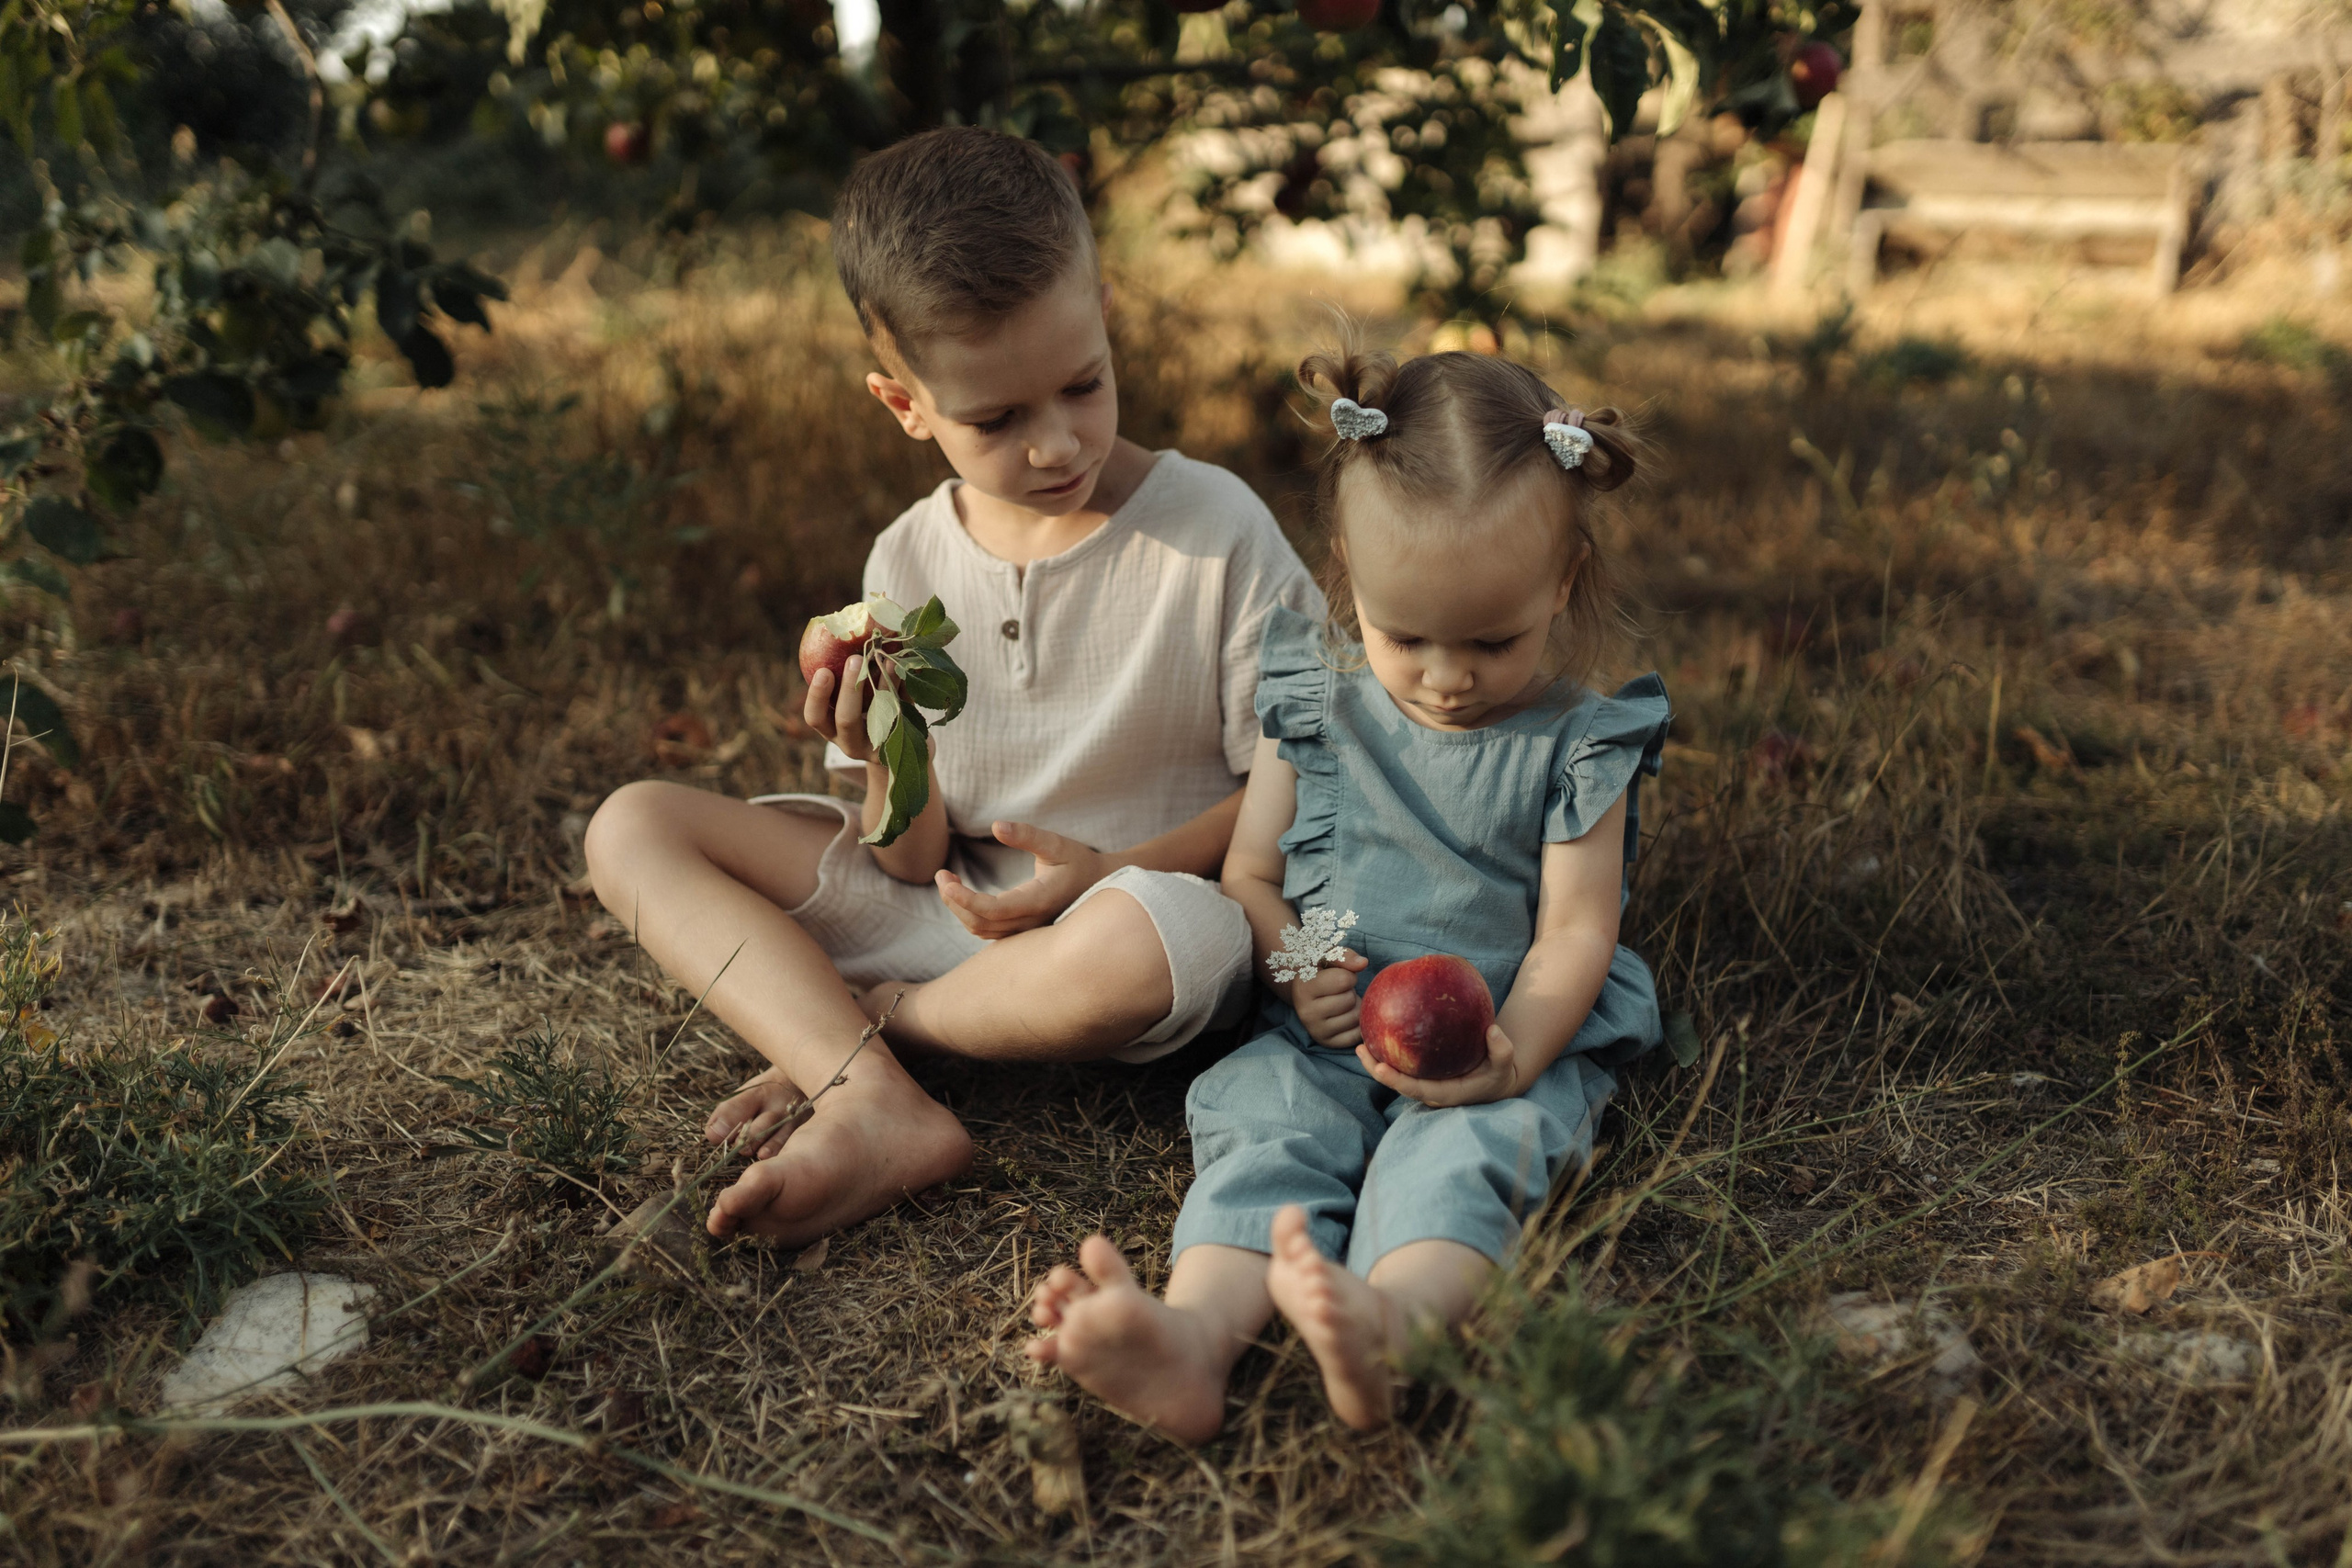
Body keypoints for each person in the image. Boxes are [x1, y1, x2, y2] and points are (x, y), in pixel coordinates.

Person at [583, 127, 1319, 1247]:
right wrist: (894, 758)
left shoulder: (1214, 530)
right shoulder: (908, 559)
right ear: (905, 404)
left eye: (1083, 385)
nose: (1055, 444)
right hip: (948, 912)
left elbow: (1295, 782)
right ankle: (876, 1103)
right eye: (995, 419)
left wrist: (1103, 873)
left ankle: (869, 1031)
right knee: (632, 826)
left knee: (1153, 945)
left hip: (1130, 919)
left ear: (1104, 314)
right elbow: (907, 859)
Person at [1024, 346, 1670, 1440]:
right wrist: (1295, 964)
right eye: (1404, 635)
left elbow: (1574, 933)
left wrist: (1512, 1054)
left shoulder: (1576, 745)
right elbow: (1251, 874)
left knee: (1464, 1159)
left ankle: (1392, 1325)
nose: (1445, 676)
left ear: (1562, 584)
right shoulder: (1316, 707)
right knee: (1265, 1137)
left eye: (1492, 640)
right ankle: (1193, 1338)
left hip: (1492, 1035)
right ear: (1347, 576)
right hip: (1321, 1033)